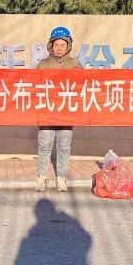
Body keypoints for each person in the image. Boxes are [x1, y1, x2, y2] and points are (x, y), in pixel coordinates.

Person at [34, 26, 83, 192]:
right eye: (56, 45)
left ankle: (61, 177)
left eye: (63, 44)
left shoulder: (74, 64)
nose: (59, 48)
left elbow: (83, 84)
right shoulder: (43, 64)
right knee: (44, 146)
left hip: (66, 113)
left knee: (64, 147)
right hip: (46, 113)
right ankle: (42, 177)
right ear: (51, 46)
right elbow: (33, 85)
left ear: (68, 45)